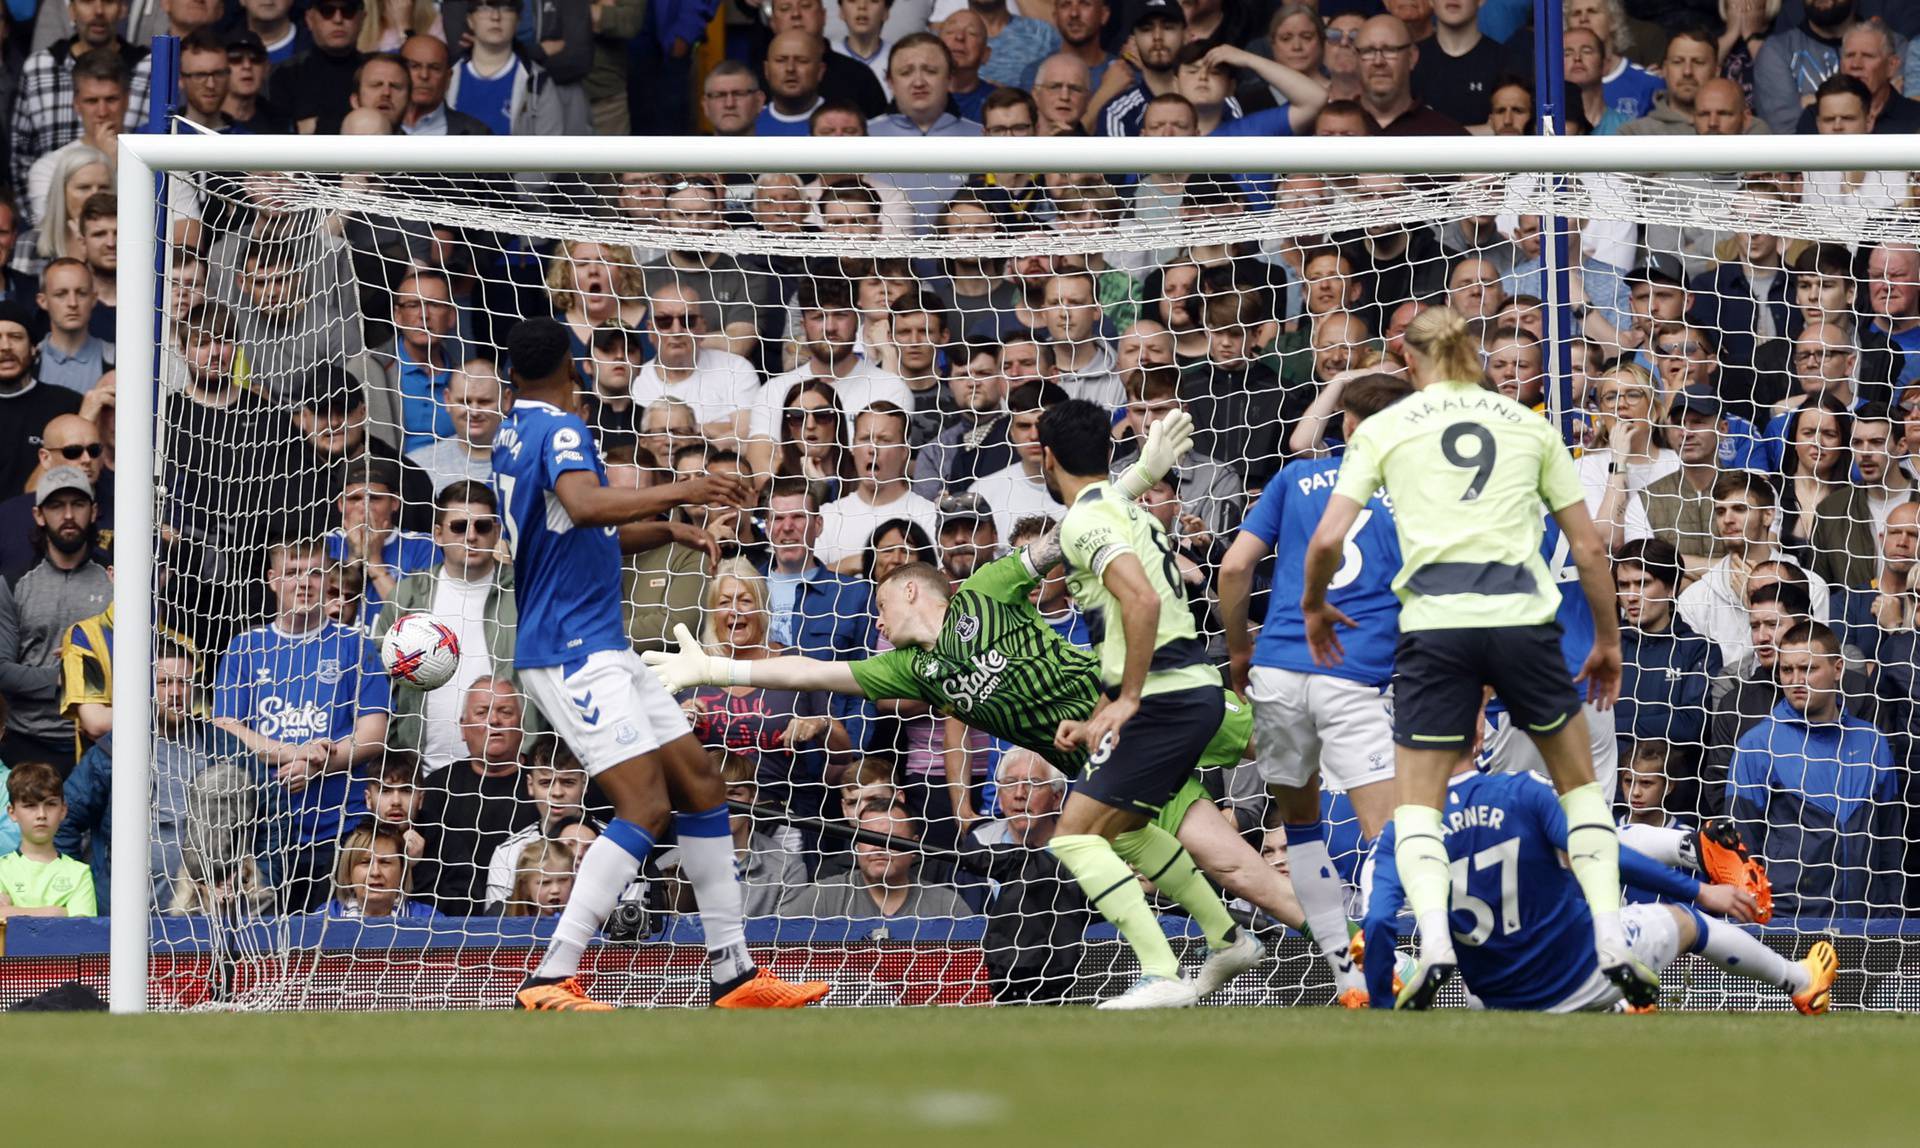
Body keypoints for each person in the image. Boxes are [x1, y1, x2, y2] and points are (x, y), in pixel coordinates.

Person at [1303, 305, 1634, 1009]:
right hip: (1523, 620)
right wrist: (1606, 640)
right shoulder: (1528, 425)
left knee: (1419, 807)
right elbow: (1587, 548)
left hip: (1436, 626)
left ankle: (1438, 944)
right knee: (1577, 789)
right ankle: (1609, 934)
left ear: (1406, 355)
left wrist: (1312, 602)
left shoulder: (1388, 426)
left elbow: (1329, 538)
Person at [493, 317, 828, 1011]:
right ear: (573, 362)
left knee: (701, 785)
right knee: (645, 805)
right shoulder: (562, 429)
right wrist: (684, 491)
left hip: (599, 646)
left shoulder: (512, 430)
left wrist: (668, 529)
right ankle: (552, 975)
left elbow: (575, 534)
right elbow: (587, 506)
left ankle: (732, 974)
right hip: (570, 651)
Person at [1039, 397, 1257, 1009]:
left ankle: (1162, 971)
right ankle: (1227, 939)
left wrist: (1128, 697)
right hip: (1185, 689)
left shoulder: (1088, 521)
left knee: (1074, 839)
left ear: (1046, 457)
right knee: (1128, 832)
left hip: (1163, 695)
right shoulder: (1124, 506)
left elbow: (1142, 602)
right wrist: (1103, 710)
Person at [1219, 373, 1410, 1007]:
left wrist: (1240, 651)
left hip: (1275, 670)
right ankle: (1389, 963)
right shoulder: (1411, 491)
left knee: (1299, 825)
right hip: (1352, 674)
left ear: (1347, 426)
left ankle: (1343, 971)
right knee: (1387, 830)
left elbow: (1234, 567)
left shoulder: (1296, 479)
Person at [1362, 759, 1836, 1015]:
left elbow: (1378, 920)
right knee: (1685, 921)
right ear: (1480, 732)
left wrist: (1382, 998)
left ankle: (1690, 847)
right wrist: (1700, 892)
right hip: (1578, 974)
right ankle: (1801, 982)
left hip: (1491, 997)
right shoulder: (1522, 789)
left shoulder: (1398, 832)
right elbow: (1603, 851)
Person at [212, 537, 391, 911]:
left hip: (338, 829)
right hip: (262, 832)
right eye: (293, 573)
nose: (304, 582)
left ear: (329, 581)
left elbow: (375, 734)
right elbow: (226, 728)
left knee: (331, 952)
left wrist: (318, 763)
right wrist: (295, 753)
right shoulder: (246, 647)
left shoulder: (353, 644)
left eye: (314, 572)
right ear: (273, 580)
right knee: (264, 950)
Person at [1730, 620, 1907, 920]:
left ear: (1838, 669)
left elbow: (1889, 840)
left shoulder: (1872, 741)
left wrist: (1890, 912)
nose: (1796, 680)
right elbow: (1742, 850)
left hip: (1867, 923)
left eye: (1808, 669)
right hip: (1787, 924)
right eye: (1787, 670)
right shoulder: (1757, 745)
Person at [372, 481, 519, 772]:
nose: (472, 536)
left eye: (483, 526)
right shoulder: (408, 595)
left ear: (498, 532)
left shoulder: (525, 592)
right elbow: (378, 682)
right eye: (459, 527)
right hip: (424, 773)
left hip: (511, 773)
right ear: (438, 534)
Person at [1, 465, 110, 772]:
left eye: (77, 504)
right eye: (56, 505)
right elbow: (2, 671)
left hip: (102, 742)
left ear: (94, 511)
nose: (68, 516)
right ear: (38, 515)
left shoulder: (116, 579)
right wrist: (67, 677)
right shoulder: (12, 582)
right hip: (28, 743)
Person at [10, 0, 152, 193]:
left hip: (136, 202)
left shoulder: (150, 68)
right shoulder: (39, 67)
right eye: (87, 1)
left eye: (109, 1)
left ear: (123, 9)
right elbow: (20, 157)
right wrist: (43, 217)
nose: (98, 11)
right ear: (71, 10)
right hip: (50, 206)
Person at [776, 802, 975, 921]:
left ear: (915, 846)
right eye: (869, 838)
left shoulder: (946, 905)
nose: (879, 847)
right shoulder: (822, 897)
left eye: (891, 839)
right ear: (856, 844)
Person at [0, 761, 95, 917]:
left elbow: (80, 933)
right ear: (12, 812)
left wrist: (10, 912)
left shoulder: (79, 874)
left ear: (63, 810)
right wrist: (56, 912)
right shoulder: (2, 869)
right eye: (30, 805)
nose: (41, 815)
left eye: (50, 804)